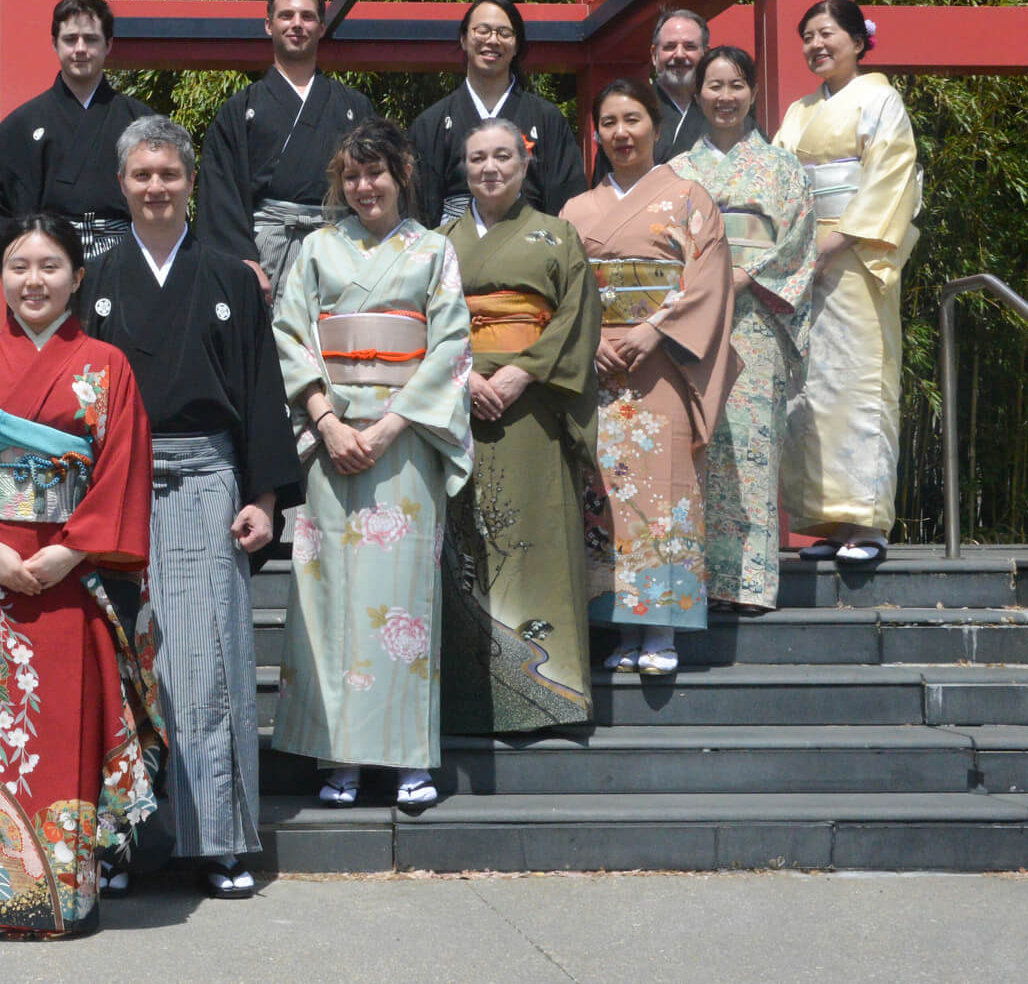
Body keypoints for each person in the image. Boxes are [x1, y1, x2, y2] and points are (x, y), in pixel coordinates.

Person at [0, 213, 164, 939]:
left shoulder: (107, 366)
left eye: (50, 265)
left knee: (65, 727)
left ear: (78, 277)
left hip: (73, 578)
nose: (33, 280)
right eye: (19, 266)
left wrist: (69, 551)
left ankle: (65, 894)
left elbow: (120, 468)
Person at [79, 116, 297, 897]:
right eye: (141, 175)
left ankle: (219, 839)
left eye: (169, 174)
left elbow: (261, 396)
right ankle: (123, 841)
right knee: (122, 665)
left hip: (209, 480)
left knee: (210, 666)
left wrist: (265, 497)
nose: (156, 187)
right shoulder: (95, 279)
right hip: (119, 485)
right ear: (122, 184)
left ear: (190, 182)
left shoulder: (233, 279)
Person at [269, 119, 472, 811]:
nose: (363, 187)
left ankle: (410, 757)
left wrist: (386, 426)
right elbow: (291, 335)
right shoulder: (318, 251)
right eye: (351, 176)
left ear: (401, 174)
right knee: (330, 599)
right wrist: (326, 421)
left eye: (375, 173)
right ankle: (341, 756)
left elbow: (448, 348)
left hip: (405, 438)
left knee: (403, 598)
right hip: (333, 441)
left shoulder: (432, 251)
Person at [559, 79, 738, 677]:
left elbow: (707, 282)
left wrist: (651, 332)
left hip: (660, 363)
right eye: (608, 122)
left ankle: (662, 631)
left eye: (632, 119)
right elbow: (560, 296)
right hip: (597, 370)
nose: (621, 133)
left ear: (657, 127)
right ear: (596, 133)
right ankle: (621, 628)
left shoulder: (690, 199)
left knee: (664, 492)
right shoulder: (575, 211)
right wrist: (588, 344)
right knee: (602, 495)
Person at [438, 119, 600, 734]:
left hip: (532, 407)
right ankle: (468, 699)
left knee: (538, 538)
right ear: (464, 167)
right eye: (478, 158)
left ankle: (550, 699)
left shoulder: (558, 237)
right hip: (460, 405)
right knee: (468, 541)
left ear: (525, 163)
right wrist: (464, 374)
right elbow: (425, 319)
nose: (490, 168)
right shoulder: (438, 241)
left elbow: (575, 321)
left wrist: (521, 373)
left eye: (503, 155)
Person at [771, 0, 920, 565]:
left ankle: (868, 521)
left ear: (859, 41)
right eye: (807, 35)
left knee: (858, 380)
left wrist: (839, 240)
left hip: (856, 255)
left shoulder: (881, 99)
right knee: (810, 386)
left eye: (826, 33)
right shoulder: (799, 110)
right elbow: (781, 180)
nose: (815, 45)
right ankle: (830, 519)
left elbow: (890, 178)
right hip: (803, 255)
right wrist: (792, 246)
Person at [669, 48, 818, 611]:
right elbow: (665, 248)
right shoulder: (679, 172)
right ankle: (697, 579)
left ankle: (751, 582)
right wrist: (707, 284)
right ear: (699, 93)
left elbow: (798, 244)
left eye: (735, 85)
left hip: (757, 317)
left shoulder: (783, 169)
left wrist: (743, 275)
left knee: (753, 442)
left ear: (754, 92)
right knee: (697, 440)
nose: (724, 96)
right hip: (696, 321)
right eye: (713, 85)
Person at [194, 0, 379, 301]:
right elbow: (220, 194)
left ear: (321, 27)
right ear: (268, 25)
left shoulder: (354, 106)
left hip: (343, 248)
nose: (297, 24)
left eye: (307, 17)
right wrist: (244, 260)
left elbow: (380, 182)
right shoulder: (240, 110)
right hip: (268, 252)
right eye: (286, 16)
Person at [0, 0, 154, 280]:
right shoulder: (21, 126)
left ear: (109, 45)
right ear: (54, 44)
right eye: (70, 39)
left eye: (91, 39)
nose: (80, 49)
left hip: (127, 263)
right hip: (44, 266)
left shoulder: (140, 121)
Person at [410, 0, 584, 227]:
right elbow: (418, 212)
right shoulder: (431, 124)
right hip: (455, 255)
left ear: (516, 46)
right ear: (463, 39)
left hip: (529, 252)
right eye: (482, 31)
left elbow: (568, 205)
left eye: (504, 33)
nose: (492, 40)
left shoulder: (546, 118)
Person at [649, 9, 711, 162]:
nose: (679, 55)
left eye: (690, 46)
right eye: (669, 46)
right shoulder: (635, 109)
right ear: (654, 55)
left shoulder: (723, 110)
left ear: (706, 54)